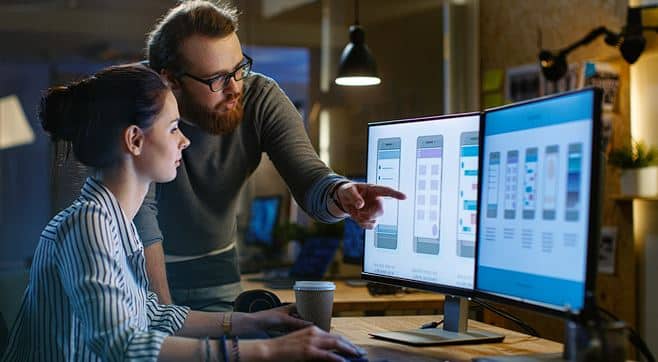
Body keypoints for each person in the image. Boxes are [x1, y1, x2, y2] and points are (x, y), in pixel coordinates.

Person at [2, 65, 364, 362]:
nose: (184, 140)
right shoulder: (89, 224)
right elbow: (122, 345)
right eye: (173, 128)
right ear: (135, 140)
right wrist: (269, 350)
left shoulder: (113, 222)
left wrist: (254, 322)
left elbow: (155, 316)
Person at [137, 0, 406, 310]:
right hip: (140, 273)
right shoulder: (135, 99)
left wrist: (341, 192)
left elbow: (309, 177)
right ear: (171, 80)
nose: (235, 88)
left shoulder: (260, 97)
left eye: (239, 69)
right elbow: (142, 221)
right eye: (216, 79)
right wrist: (166, 318)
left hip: (216, 273)